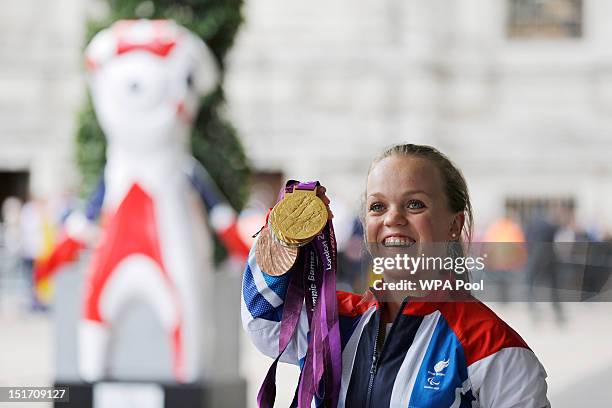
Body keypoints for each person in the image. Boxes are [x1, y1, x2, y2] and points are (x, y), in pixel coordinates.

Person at [242, 144, 550, 407]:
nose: (392, 218)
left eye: (414, 204)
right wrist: (283, 230)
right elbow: (264, 321)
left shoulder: (494, 347)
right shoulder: (334, 321)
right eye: (378, 206)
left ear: (454, 225)